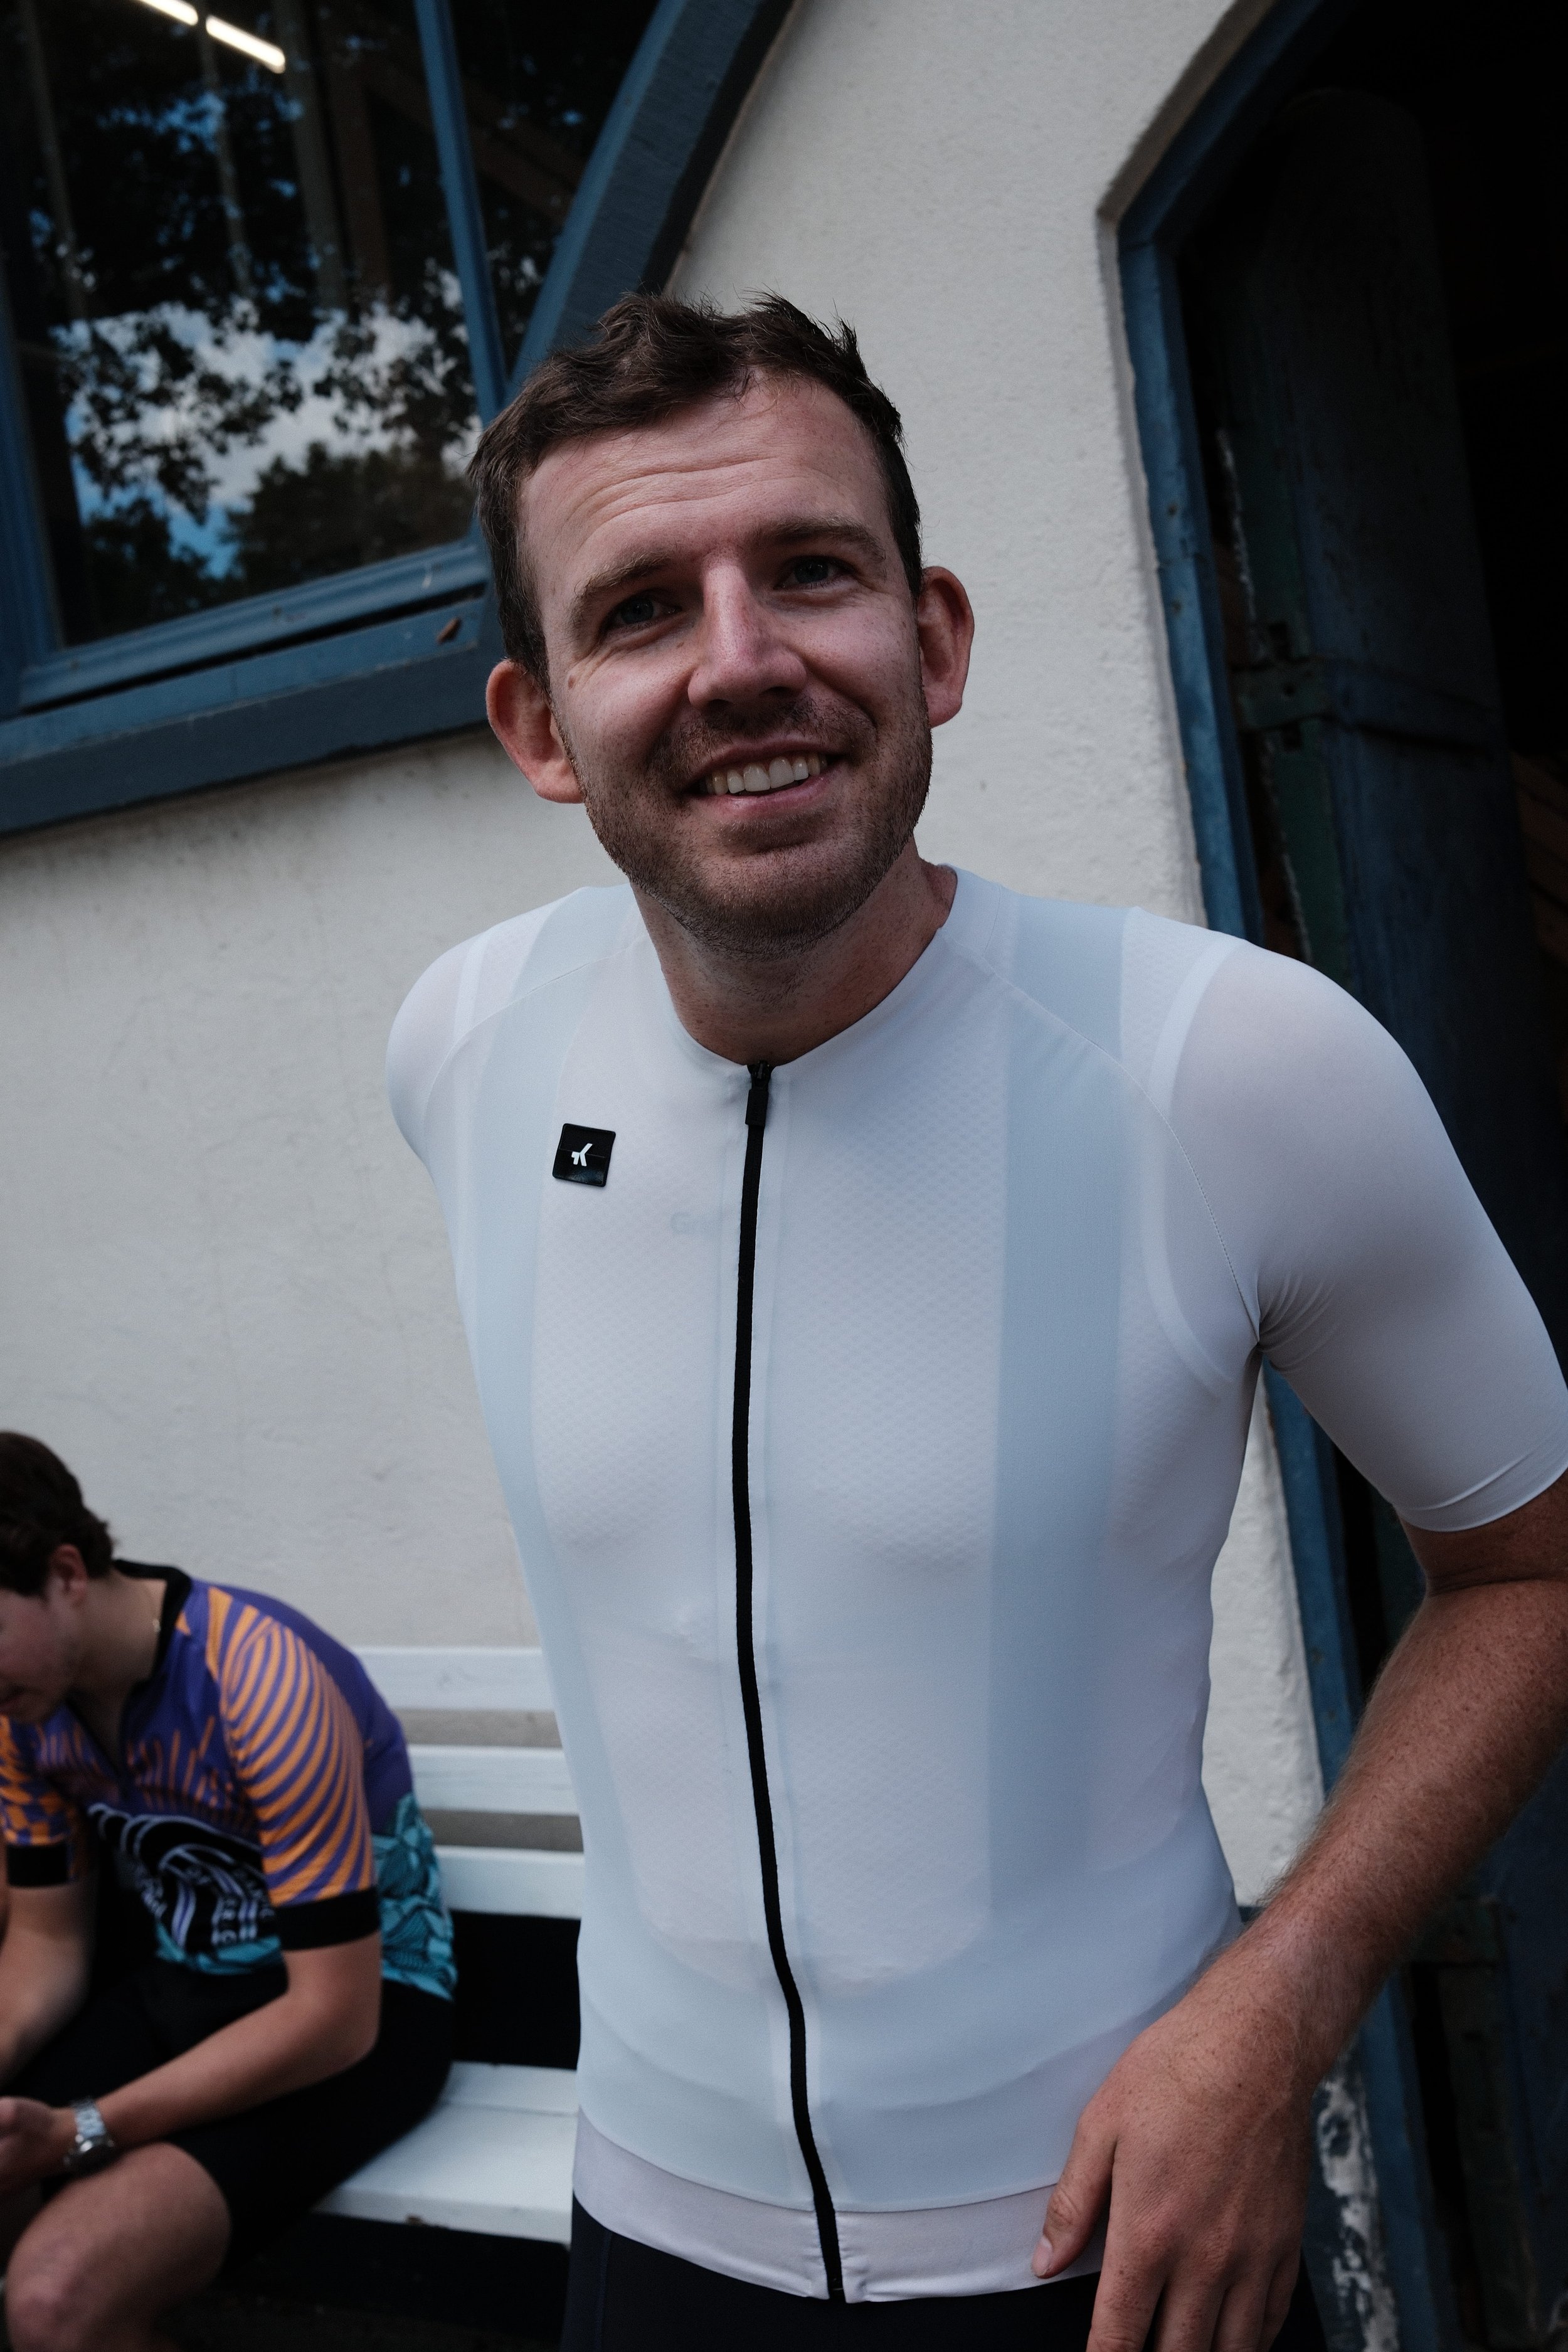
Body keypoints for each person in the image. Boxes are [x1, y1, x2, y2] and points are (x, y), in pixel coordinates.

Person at [386, 295, 1568, 2351]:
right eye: (642, 606)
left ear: (931, 639)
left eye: (809, 570)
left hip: (1110, 2249)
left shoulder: (1233, 1068)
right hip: (647, 2239)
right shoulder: (465, 1045)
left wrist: (1282, 2000)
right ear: (540, 727)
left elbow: (1531, 1568)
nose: (741, 658)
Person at [0, 1433, 455, 2352]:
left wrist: (82, 2129)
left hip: (362, 2014)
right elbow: (46, 1945)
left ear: (66, 1573)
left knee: (56, 2300)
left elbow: (335, 2018)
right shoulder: (24, 1707)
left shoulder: (258, 1679)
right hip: (185, 1987)